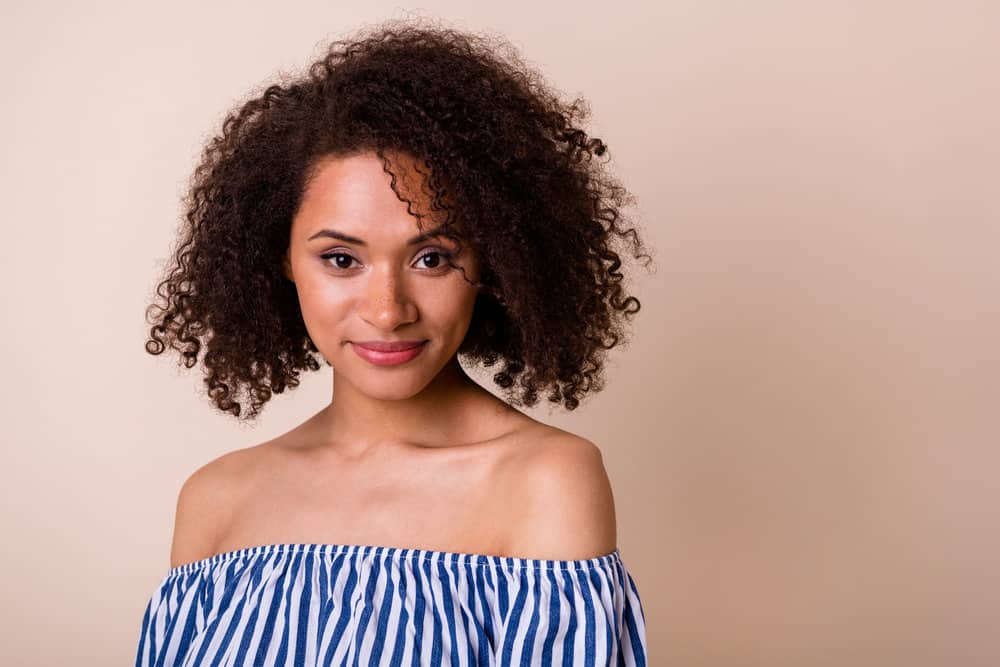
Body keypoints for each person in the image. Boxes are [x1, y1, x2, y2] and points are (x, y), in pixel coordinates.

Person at [134, 17, 651, 666]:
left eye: (431, 257)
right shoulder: (215, 500)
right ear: (282, 259)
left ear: (493, 259)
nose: (387, 309)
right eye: (342, 260)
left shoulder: (546, 482)